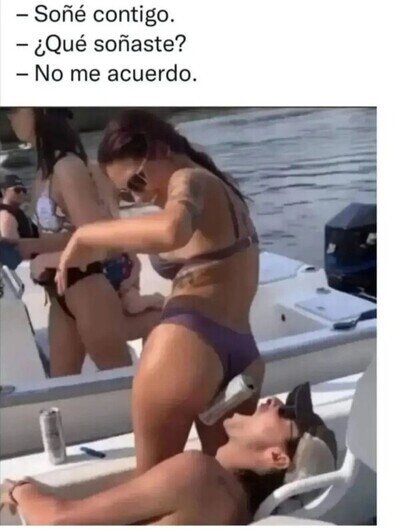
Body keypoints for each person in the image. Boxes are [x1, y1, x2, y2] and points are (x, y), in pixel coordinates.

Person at [56, 109, 265, 472]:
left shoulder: (187, 179)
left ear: (160, 149)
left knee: (152, 485)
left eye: (137, 182)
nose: (139, 197)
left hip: (187, 346)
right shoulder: (221, 188)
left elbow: (171, 231)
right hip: (242, 352)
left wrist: (85, 235)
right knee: (227, 486)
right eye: (128, 192)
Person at [0, 383, 337, 525]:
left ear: (276, 458)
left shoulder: (199, 474)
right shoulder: (233, 507)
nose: (274, 402)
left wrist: (18, 490)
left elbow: (59, 521)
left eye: (285, 414)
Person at [4, 107, 162, 377]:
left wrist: (48, 260)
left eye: (13, 109)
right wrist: (25, 247)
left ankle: (166, 320)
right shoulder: (44, 172)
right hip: (60, 294)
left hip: (87, 286)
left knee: (117, 378)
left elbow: (97, 239)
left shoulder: (67, 167)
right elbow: (70, 235)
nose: (9, 116)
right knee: (63, 386)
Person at [0, 174, 38, 239]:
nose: (22, 193)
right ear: (4, 191)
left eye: (24, 190)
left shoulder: (19, 213)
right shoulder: (6, 215)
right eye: (17, 190)